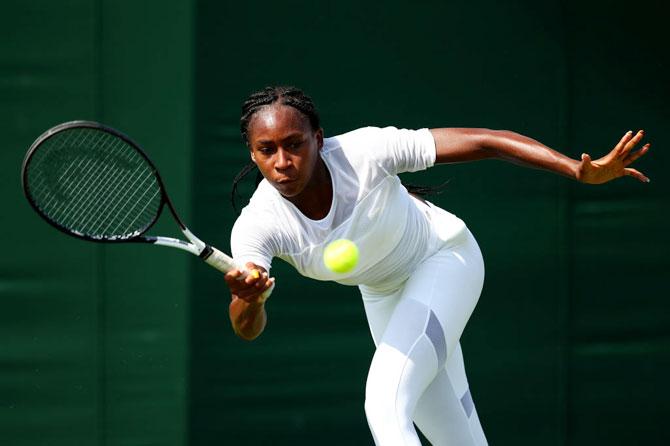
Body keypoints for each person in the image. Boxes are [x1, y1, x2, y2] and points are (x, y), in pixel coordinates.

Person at [223, 86, 651, 445]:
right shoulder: (258, 225)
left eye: (294, 144)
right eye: (267, 150)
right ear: (253, 153)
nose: (282, 161)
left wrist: (577, 170)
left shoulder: (364, 153)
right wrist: (251, 299)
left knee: (384, 402)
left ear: (318, 138)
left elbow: (487, 140)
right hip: (383, 295)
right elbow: (246, 327)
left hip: (444, 259)